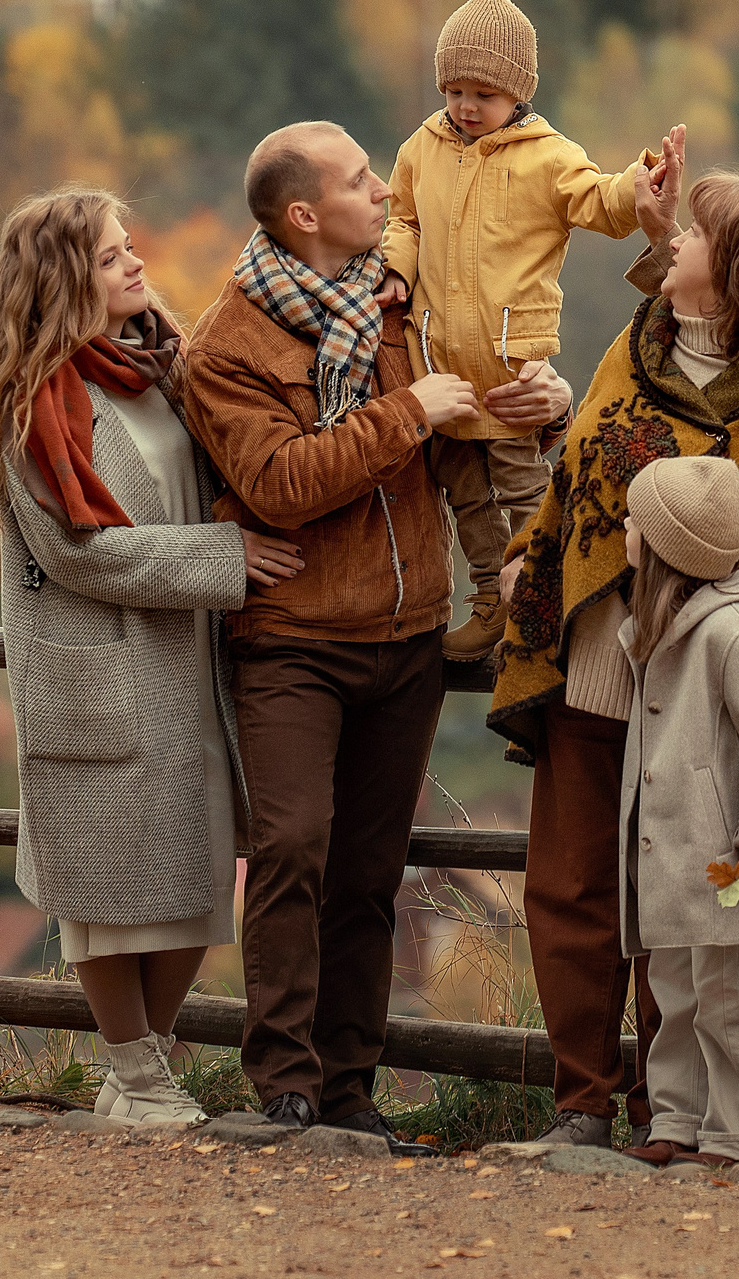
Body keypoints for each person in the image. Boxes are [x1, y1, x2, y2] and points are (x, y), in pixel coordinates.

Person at [177, 121, 570, 1152]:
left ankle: (350, 1082)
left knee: (369, 867)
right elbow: (279, 483)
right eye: (360, 182)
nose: (383, 194)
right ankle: (284, 1079)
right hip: (293, 639)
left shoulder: (396, 304)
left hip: (407, 637)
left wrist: (541, 402)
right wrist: (405, 413)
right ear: (305, 214)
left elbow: (468, 418)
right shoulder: (228, 345)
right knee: (292, 846)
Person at [492, 165, 739, 1149]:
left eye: (695, 231)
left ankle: (673, 1112)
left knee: (681, 899)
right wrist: (527, 557)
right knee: (571, 887)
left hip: (699, 684)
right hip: (587, 661)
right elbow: (571, 472)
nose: (672, 240)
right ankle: (583, 1100)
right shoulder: (631, 348)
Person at [0, 187, 304, 1127]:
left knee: (198, 868)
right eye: (112, 255)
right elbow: (78, 552)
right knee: (108, 883)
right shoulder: (35, 404)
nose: (135, 263)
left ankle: (136, 1076)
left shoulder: (152, 371)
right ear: (66, 279)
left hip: (191, 659)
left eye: (129, 248)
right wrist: (224, 558)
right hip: (104, 665)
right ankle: (139, 1073)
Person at [373, 0, 659, 662]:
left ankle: (536, 600)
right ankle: (487, 599)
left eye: (485, 92)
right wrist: (394, 266)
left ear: (519, 92)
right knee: (464, 494)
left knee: (525, 492)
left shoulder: (547, 156)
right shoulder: (423, 146)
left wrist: (638, 188)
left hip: (511, 369)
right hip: (439, 369)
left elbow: (601, 201)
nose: (466, 106)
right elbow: (403, 218)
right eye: (455, 89)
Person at [611, 457, 739, 1167]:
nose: (624, 526)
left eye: (636, 520)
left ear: (670, 547)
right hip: (671, 855)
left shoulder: (735, 633)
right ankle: (677, 1120)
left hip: (724, 854)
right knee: (672, 991)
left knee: (728, 995)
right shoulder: (656, 628)